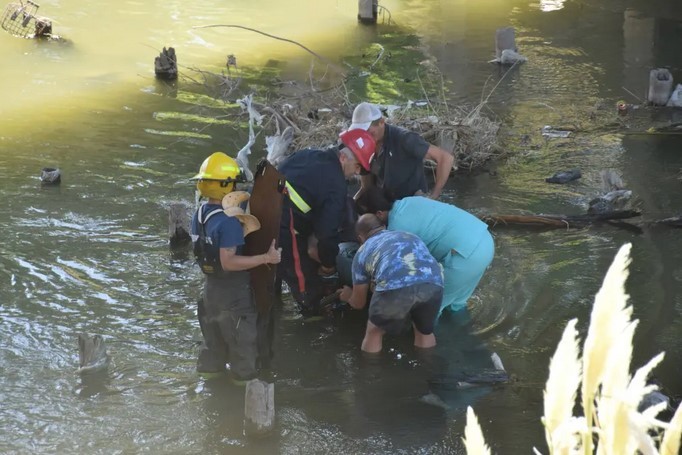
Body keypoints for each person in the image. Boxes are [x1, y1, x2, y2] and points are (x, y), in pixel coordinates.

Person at [190, 151, 282, 383]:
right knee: (244, 358)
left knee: (213, 351)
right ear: (225, 184)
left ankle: (211, 397)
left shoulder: (200, 213)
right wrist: (266, 258)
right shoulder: (229, 222)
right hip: (234, 297)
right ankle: (242, 410)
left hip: (210, 292)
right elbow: (228, 262)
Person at [277, 129, 376, 317]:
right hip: (283, 225)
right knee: (305, 283)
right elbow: (326, 235)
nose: (357, 173)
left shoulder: (309, 154)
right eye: (358, 166)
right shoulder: (336, 186)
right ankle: (311, 315)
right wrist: (328, 266)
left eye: (361, 170)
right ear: (345, 158)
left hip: (262, 210)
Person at [356, 187, 494, 317]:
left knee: (429, 311)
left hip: (464, 256)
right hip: (484, 241)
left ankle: (444, 340)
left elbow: (404, 273)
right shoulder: (409, 201)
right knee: (456, 304)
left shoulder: (395, 230)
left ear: (379, 214)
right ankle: (465, 331)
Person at [339, 214, 444, 353]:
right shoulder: (409, 235)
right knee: (423, 332)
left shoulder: (362, 251)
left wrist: (347, 296)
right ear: (384, 226)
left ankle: (370, 371)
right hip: (434, 283)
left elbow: (359, 303)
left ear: (360, 238)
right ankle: (427, 369)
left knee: (374, 331)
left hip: (396, 286)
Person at [349, 102, 455, 200]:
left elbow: (445, 158)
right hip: (384, 202)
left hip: (411, 201)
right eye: (361, 132)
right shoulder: (363, 145)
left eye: (369, 131)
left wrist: (434, 195)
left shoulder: (405, 139)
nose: (366, 136)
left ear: (381, 122)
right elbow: (366, 187)